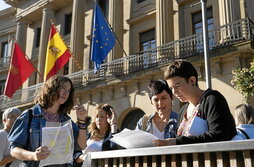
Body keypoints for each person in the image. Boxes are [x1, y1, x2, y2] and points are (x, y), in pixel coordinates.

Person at [8, 75, 87, 167]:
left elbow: (81, 146)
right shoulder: (30, 116)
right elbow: (14, 150)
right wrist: (33, 155)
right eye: (63, 88)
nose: (66, 93)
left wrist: (81, 121)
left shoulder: (66, 120)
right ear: (52, 88)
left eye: (69, 91)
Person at [154, 59, 236, 146]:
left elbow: (221, 134)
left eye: (177, 86)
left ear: (192, 81)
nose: (174, 92)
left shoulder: (212, 99)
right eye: (171, 88)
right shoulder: (183, 110)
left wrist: (177, 142)